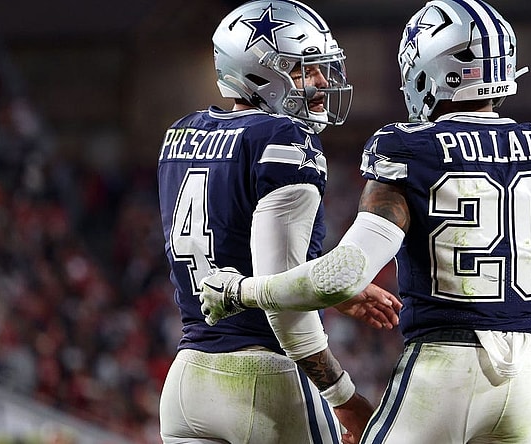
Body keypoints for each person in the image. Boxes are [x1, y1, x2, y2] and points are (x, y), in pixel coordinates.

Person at [199, 0, 531, 442]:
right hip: (522, 382)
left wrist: (241, 290)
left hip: (442, 371)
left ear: (428, 71)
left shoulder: (408, 149)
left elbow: (344, 274)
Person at [156, 1, 401, 443]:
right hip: (264, 381)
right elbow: (279, 304)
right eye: (304, 69)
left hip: (187, 381)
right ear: (257, 72)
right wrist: (345, 397)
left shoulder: (182, 133)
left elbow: (238, 254)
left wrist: (325, 291)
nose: (322, 82)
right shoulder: (284, 138)